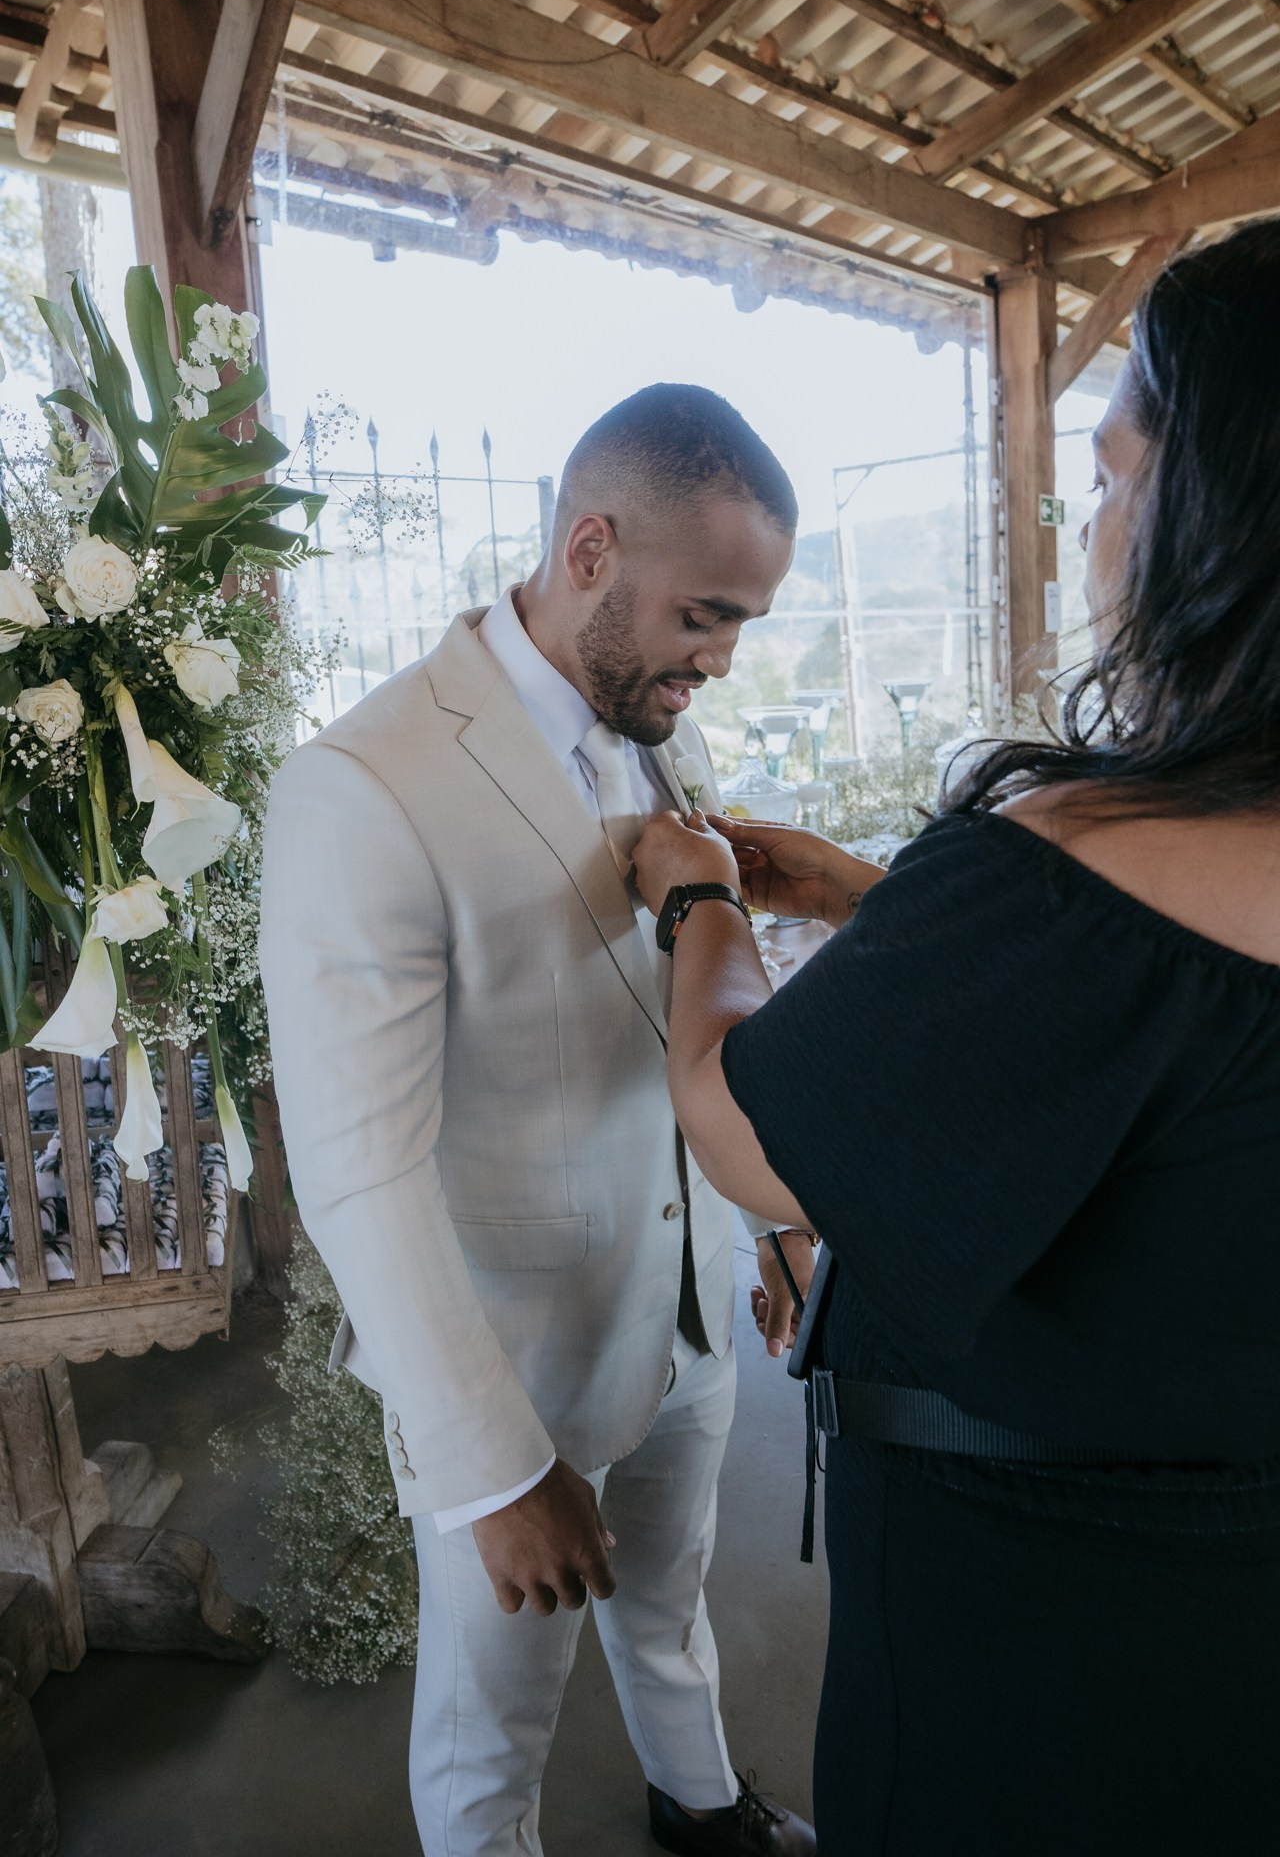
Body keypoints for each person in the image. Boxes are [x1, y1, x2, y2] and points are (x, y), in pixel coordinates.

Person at [632, 221, 1280, 1855]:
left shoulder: (1080, 872)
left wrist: (695, 905)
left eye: (1122, 478)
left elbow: (743, 1124)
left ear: (1229, 511)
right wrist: (881, 910)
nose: (1099, 527)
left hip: (1068, 1625)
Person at [259, 384, 818, 1857]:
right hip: (518, 1363)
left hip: (687, 1312)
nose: (724, 658)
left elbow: (670, 1013)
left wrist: (761, 1215)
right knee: (487, 1727)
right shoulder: (361, 786)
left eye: (742, 622)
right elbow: (357, 1169)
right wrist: (495, 1466)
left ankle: (698, 1807)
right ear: (590, 552)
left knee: (672, 1598)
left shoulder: (646, 716)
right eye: (706, 614)